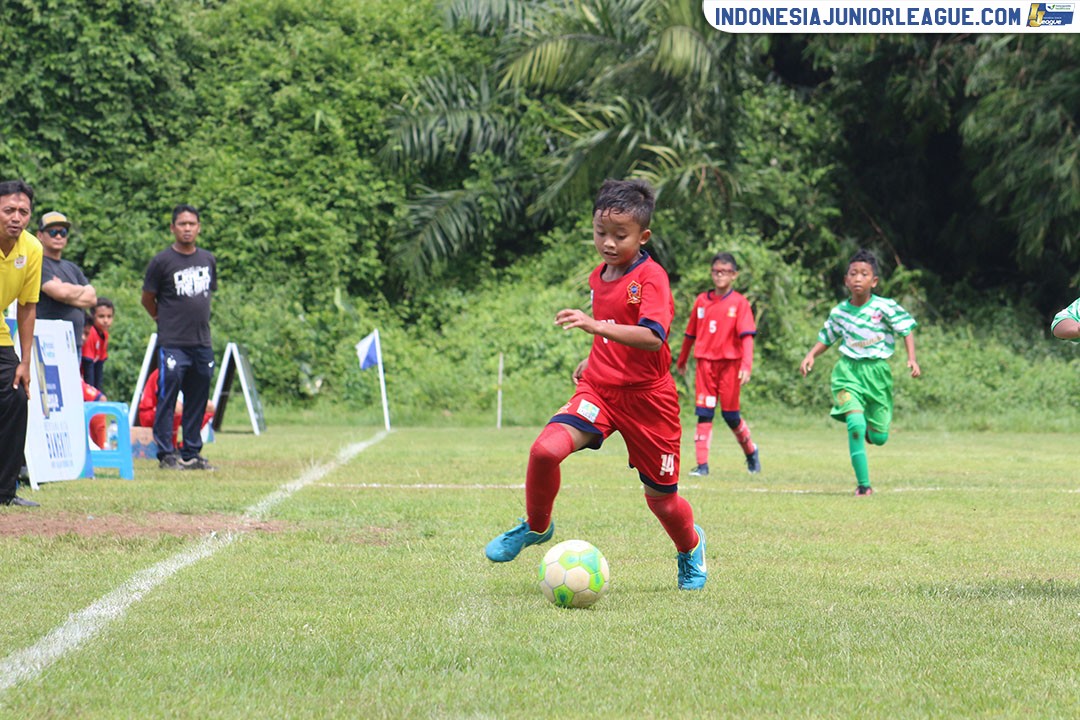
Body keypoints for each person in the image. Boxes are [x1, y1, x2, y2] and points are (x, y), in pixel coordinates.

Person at [485, 179, 707, 590]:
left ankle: (690, 549)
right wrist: (593, 354)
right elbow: (612, 333)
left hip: (649, 401)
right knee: (545, 451)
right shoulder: (598, 276)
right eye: (600, 233)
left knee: (662, 500)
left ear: (643, 236)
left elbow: (653, 336)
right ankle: (537, 526)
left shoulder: (651, 278)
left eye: (619, 236)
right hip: (600, 391)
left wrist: (594, 325)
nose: (607, 243)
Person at [799, 249, 920, 496]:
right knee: (854, 423)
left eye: (864, 274)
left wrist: (912, 359)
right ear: (846, 280)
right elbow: (827, 337)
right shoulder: (839, 313)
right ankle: (863, 486)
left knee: (879, 438)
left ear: (873, 281)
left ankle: (870, 430)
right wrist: (811, 354)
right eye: (853, 273)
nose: (857, 278)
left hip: (877, 374)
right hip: (847, 373)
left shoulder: (885, 307)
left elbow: (906, 329)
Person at [141, 204, 218, 471]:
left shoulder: (208, 259)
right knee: (168, 395)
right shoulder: (162, 262)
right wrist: (160, 319)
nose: (187, 228)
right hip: (173, 342)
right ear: (173, 228)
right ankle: (167, 454)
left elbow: (207, 295)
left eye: (192, 224)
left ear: (199, 227)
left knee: (198, 396)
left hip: (202, 342)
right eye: (182, 224)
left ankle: (192, 451)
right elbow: (147, 298)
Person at [675, 252, 760, 476]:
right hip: (705, 364)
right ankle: (702, 465)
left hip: (730, 366)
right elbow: (690, 333)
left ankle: (751, 452)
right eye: (716, 271)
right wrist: (682, 359)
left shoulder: (740, 303)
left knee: (731, 416)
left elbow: (747, 338)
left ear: (734, 275)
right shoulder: (702, 301)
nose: (719, 275)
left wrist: (746, 366)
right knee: (704, 412)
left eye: (725, 272)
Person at [0, 179, 43, 507]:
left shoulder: (32, 249)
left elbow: (28, 305)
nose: (16, 217)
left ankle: (5, 491)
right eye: (8, 210)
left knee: (16, 396)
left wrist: (24, 361)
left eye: (23, 212)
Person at [36, 211, 96, 353]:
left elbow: (92, 298)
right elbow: (59, 293)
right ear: (40, 235)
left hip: (75, 341)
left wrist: (66, 290)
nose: (58, 236)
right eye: (53, 232)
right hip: (49, 342)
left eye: (63, 232)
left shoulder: (72, 267)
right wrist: (78, 290)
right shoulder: (38, 263)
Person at [137, 367, 215, 447]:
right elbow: (167, 401)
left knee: (209, 407)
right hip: (151, 412)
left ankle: (186, 445)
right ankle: (171, 447)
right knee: (176, 408)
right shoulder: (167, 370)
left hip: (176, 409)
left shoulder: (191, 373)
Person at [81, 296, 114, 390]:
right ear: (93, 316)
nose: (106, 321)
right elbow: (88, 366)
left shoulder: (104, 335)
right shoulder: (90, 333)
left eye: (109, 316)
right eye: (101, 316)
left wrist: (99, 391)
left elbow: (99, 366)